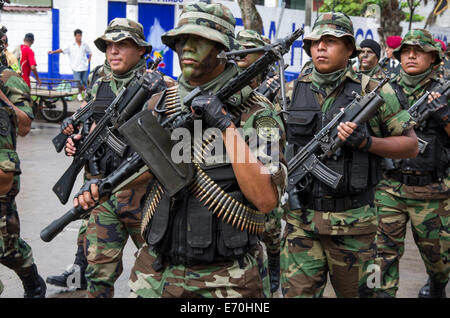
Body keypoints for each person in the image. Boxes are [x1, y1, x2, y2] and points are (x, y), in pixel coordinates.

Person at [121, 1, 287, 298]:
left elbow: (265, 199)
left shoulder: (257, 114)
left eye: (198, 40)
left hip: (226, 281)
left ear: (224, 49)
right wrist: (100, 187)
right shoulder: (159, 104)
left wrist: (225, 125)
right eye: (181, 39)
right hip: (155, 271)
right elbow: (140, 175)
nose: (186, 47)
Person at [280, 12, 418, 298]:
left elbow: (410, 145)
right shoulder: (292, 91)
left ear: (349, 50)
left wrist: (366, 142)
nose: (320, 47)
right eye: (316, 42)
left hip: (355, 225)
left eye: (330, 41)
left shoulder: (373, 90)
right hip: (300, 224)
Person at [62, 18, 162, 298]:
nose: (113, 51)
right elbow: (90, 122)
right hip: (102, 195)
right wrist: (77, 140)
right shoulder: (99, 80)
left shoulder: (160, 86)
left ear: (141, 50)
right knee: (97, 274)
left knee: (156, 276)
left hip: (147, 198)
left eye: (123, 45)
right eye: (109, 45)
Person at [375, 29, 449, 298]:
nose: (412, 55)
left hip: (433, 190)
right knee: (381, 258)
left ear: (434, 58)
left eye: (419, 51)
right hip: (389, 189)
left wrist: (444, 114)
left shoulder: (443, 91)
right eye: (406, 50)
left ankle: (438, 284)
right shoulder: (383, 89)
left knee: (440, 260)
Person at [235, 29, 284, 295]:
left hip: (262, 151)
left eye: (248, 51)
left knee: (271, 225)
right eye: (238, 49)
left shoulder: (272, 86)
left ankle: (274, 261)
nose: (242, 55)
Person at [0, 77, 46, 298]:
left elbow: (25, 126)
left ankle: (33, 282)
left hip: (2, 176)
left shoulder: (9, 80)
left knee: (7, 249)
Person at [48, 29, 92, 101]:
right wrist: (53, 51)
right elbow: (62, 50)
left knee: (84, 81)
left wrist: (89, 60)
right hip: (75, 67)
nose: (79, 37)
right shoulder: (70, 45)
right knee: (78, 82)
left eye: (80, 36)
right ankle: (80, 94)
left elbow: (90, 52)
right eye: (78, 36)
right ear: (75, 36)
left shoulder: (84, 45)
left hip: (84, 66)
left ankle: (86, 94)